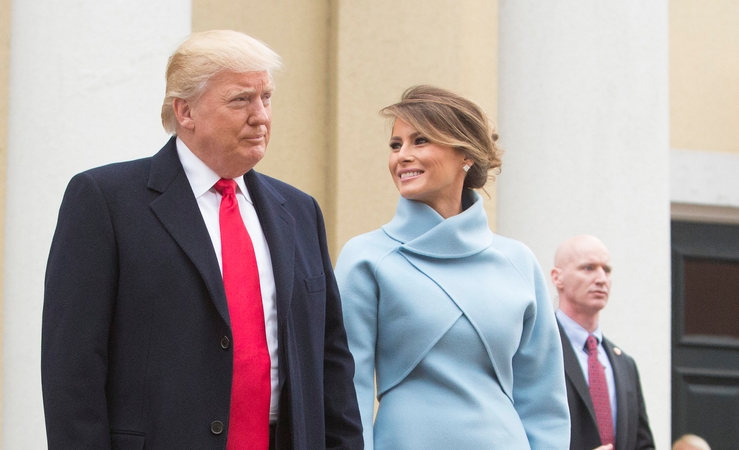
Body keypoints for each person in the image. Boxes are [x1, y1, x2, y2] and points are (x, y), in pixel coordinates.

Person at [41, 30, 363, 450]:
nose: (261, 115)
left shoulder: (299, 211)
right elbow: (72, 368)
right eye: (240, 99)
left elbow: (331, 360)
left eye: (266, 97)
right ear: (186, 111)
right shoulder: (105, 201)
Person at [335, 85, 571, 450]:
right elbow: (349, 392)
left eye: (421, 141)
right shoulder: (366, 257)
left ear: (465, 155)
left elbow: (544, 403)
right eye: (396, 145)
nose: (403, 156)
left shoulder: (518, 261)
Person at [552, 234, 655, 450]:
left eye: (606, 270)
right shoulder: (537, 349)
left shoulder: (625, 365)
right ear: (557, 278)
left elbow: (642, 443)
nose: (601, 279)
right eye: (588, 268)